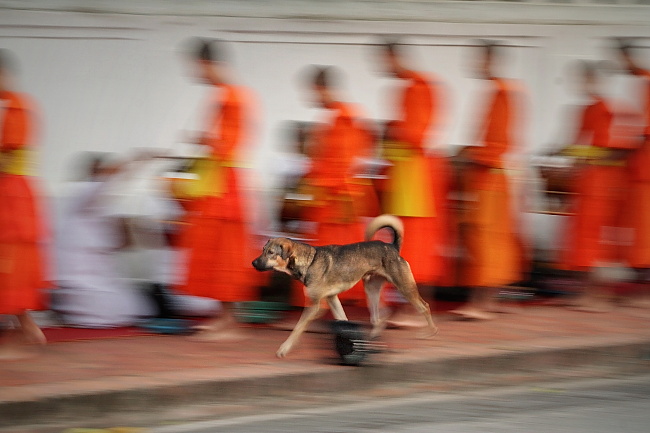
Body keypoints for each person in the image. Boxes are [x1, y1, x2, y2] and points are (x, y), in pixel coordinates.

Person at [177, 38, 257, 340]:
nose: (195, 73)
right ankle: (222, 316)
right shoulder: (223, 96)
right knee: (213, 248)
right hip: (217, 180)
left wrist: (203, 141)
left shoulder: (233, 98)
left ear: (206, 63)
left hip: (227, 182)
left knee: (226, 250)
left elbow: (228, 145)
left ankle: (230, 321)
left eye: (196, 66)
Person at [376, 40, 450, 325]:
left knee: (416, 242)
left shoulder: (420, 86)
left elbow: (415, 134)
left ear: (396, 57)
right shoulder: (408, 86)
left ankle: (416, 309)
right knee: (402, 242)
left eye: (385, 60)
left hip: (416, 175)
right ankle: (409, 306)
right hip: (405, 172)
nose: (384, 67)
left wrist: (391, 131)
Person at [451, 41, 524, 320]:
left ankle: (481, 304)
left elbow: (499, 145)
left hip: (490, 179)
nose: (474, 64)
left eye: (478, 59)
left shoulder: (504, 93)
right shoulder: (496, 92)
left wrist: (469, 156)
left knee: (486, 241)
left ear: (491, 60)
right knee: (484, 240)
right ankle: (485, 302)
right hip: (484, 177)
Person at [557, 60, 634, 312]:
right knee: (581, 241)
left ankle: (600, 295)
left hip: (603, 186)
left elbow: (616, 151)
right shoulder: (586, 110)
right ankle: (585, 292)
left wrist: (578, 153)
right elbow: (578, 146)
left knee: (599, 241)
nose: (581, 84)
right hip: (585, 183)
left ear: (597, 80)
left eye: (586, 79)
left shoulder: (611, 109)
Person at [52, 153, 157, 328]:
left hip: (101, 279)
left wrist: (131, 228)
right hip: (77, 281)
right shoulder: (80, 191)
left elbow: (123, 244)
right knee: (109, 310)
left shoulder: (103, 206)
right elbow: (108, 179)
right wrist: (137, 160)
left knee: (138, 307)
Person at [0, 49, 49, 358]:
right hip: (10, 190)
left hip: (13, 194)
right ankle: (27, 328)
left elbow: (8, 156)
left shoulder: (17, 106)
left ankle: (26, 331)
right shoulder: (11, 105)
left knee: (11, 261)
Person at [617, 40, 650, 303]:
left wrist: (618, 151)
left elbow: (642, 132)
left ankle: (644, 291)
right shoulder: (637, 83)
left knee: (644, 231)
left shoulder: (646, 83)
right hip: (637, 171)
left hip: (645, 171)